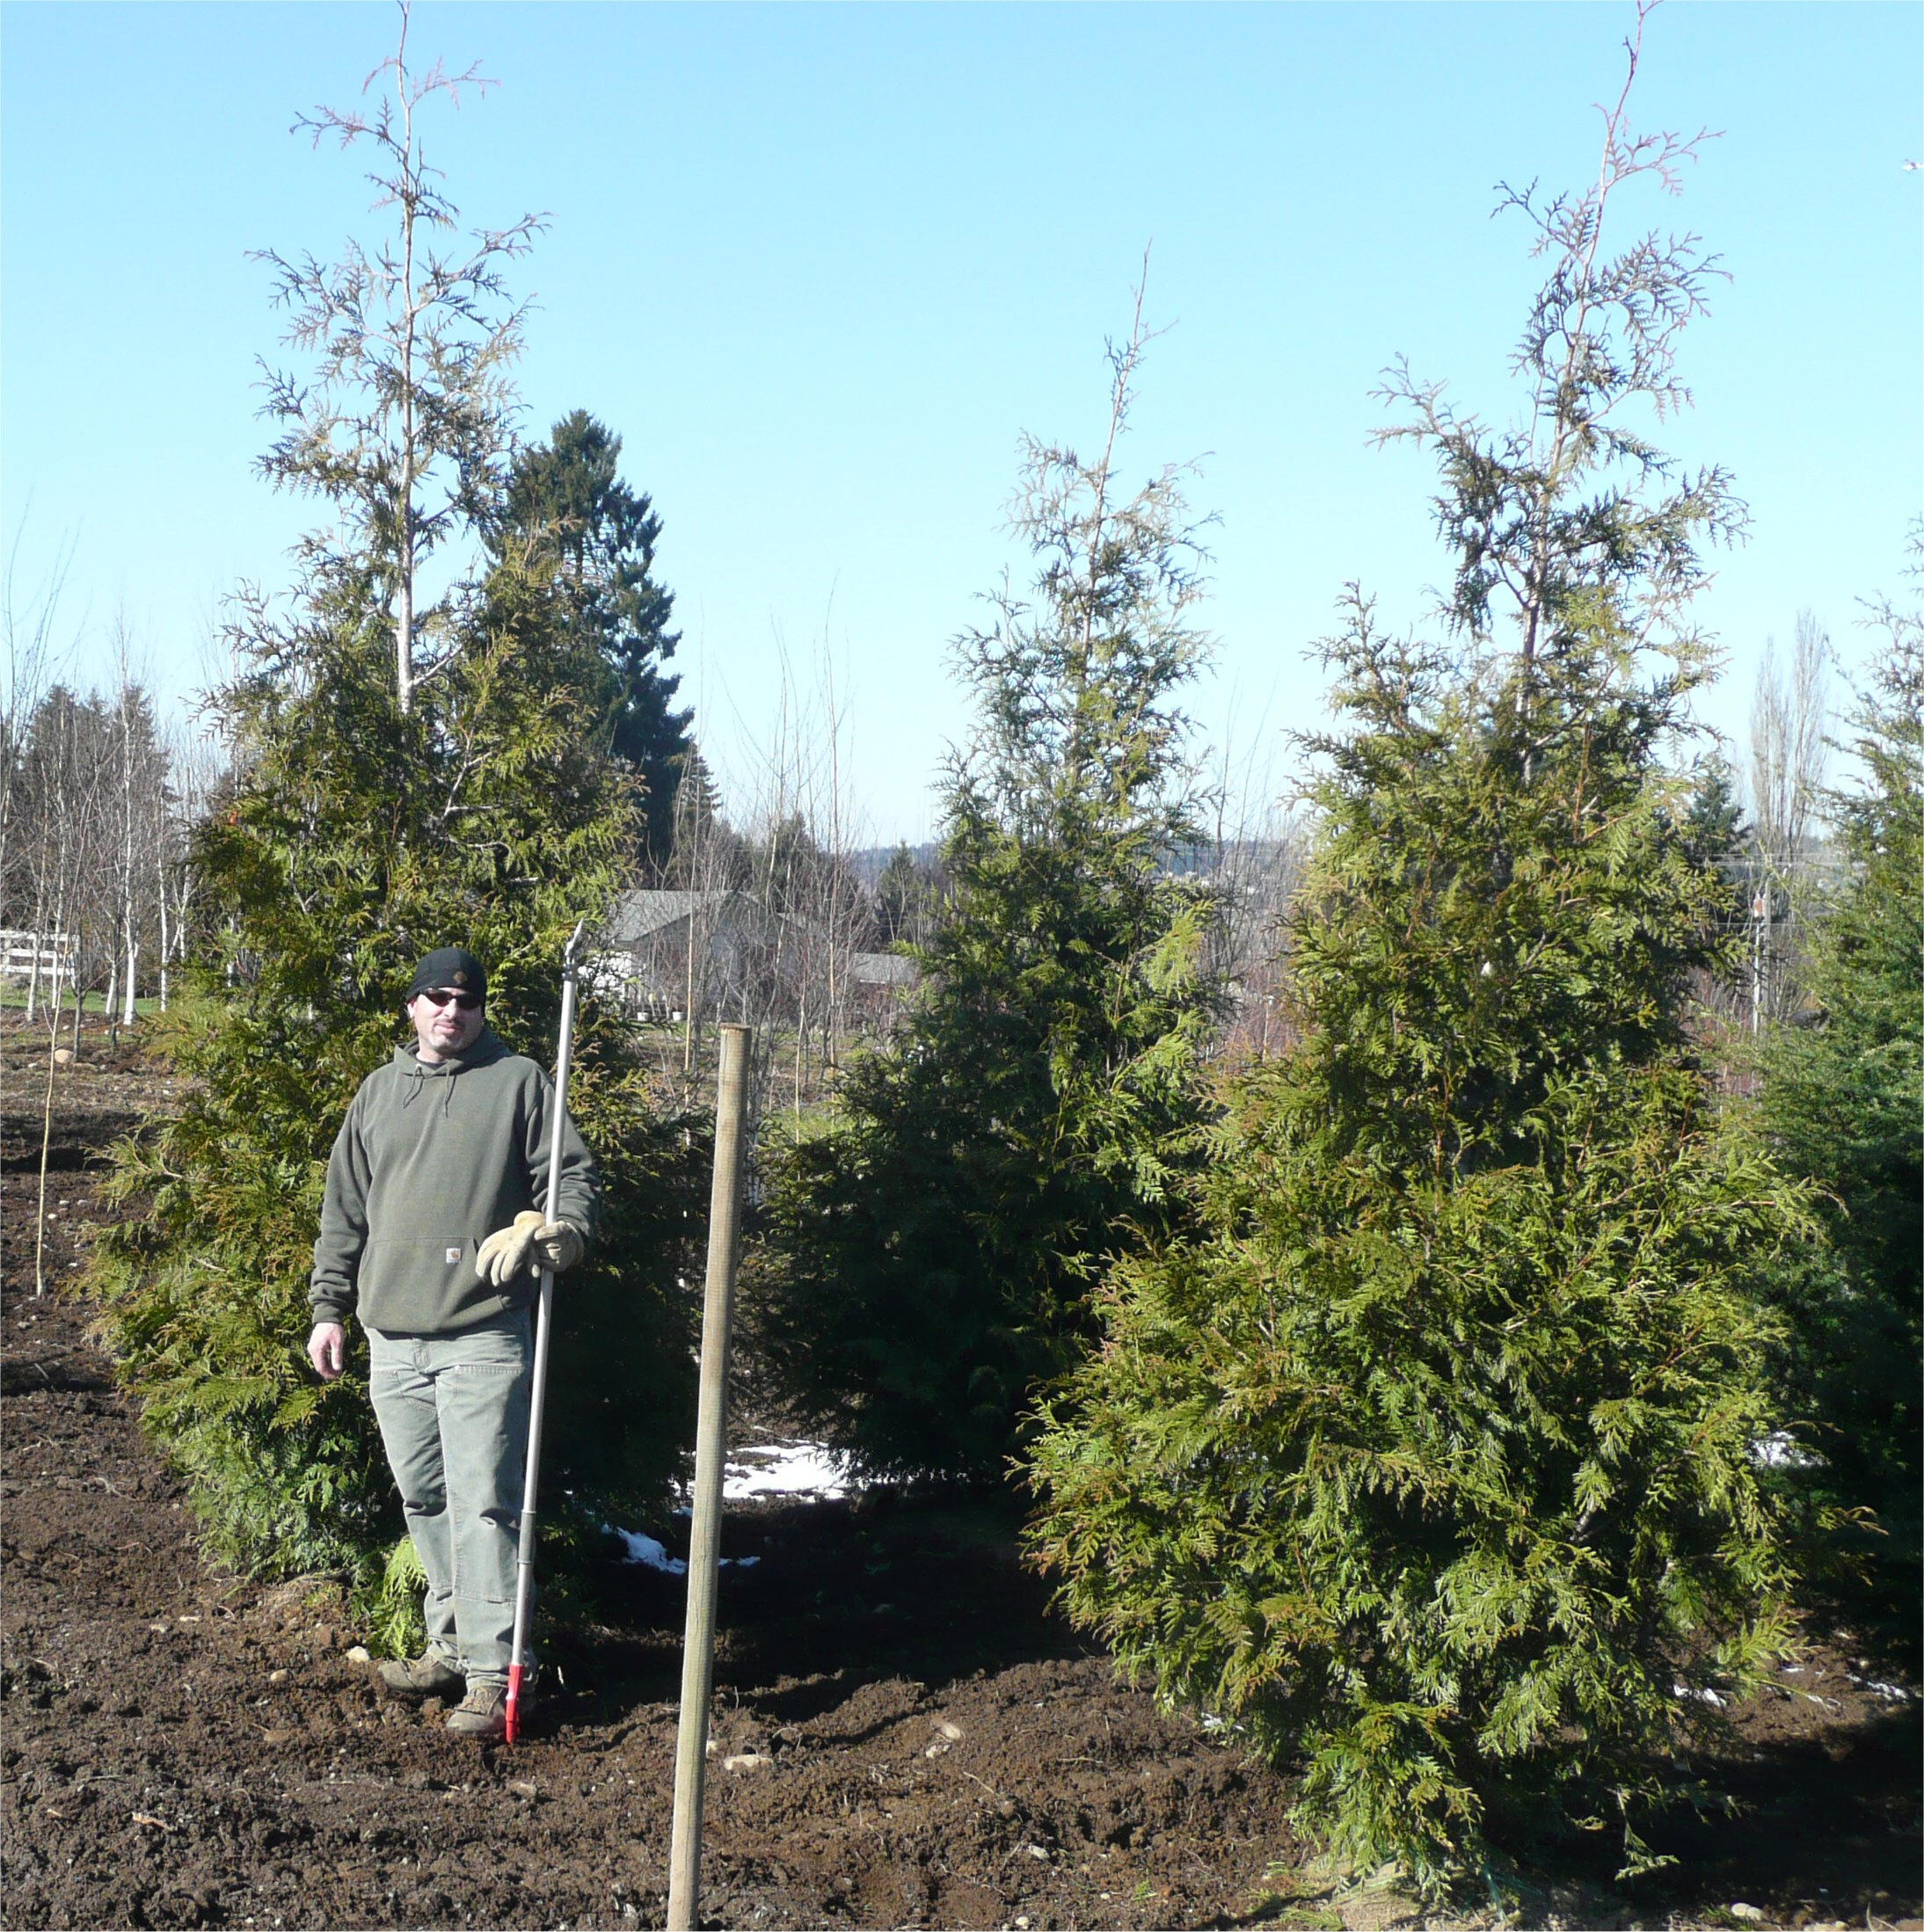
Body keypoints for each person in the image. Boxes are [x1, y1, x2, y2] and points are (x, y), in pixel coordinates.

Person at [307, 945, 597, 1739]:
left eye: (466, 1002)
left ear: (481, 1010)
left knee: (484, 1507)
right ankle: (448, 1645)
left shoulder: (521, 1082)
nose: (451, 1012)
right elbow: (344, 1212)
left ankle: (496, 1671)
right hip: (391, 1338)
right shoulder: (378, 1093)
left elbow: (570, 1179)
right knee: (426, 1500)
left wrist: (555, 1230)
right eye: (436, 998)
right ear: (411, 1006)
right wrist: (329, 1309)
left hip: (483, 1332)